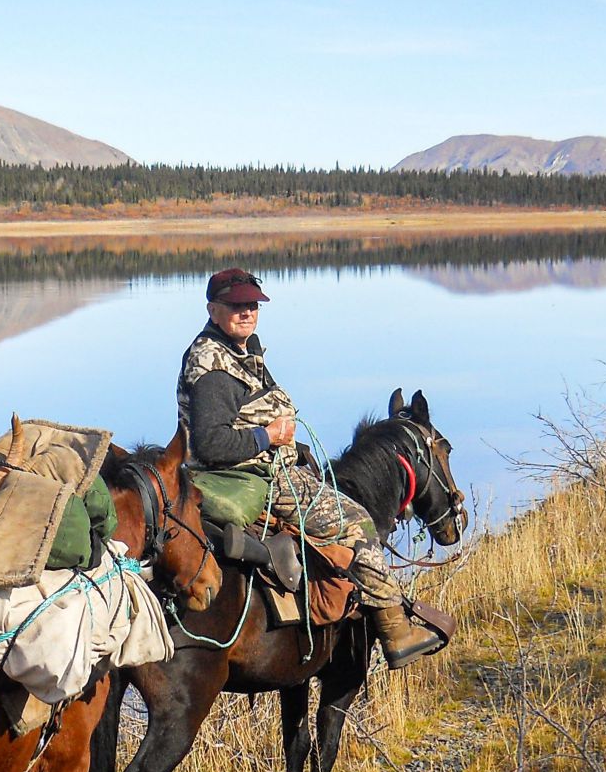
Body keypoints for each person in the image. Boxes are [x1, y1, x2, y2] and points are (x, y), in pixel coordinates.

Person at [176, 267, 442, 668]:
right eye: (236, 306)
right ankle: (395, 629)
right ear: (213, 309)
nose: (247, 312)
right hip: (253, 476)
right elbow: (212, 444)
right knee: (357, 521)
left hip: (266, 461)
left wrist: (293, 445)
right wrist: (269, 437)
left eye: (252, 305)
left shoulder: (238, 349)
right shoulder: (213, 364)